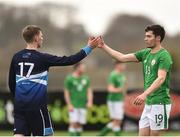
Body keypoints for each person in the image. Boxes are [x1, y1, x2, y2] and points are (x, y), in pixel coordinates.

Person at [8, 25, 100, 136]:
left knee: (19, 134)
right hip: (37, 105)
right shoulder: (43, 58)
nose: (42, 38)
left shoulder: (16, 57)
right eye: (41, 36)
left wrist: (21, 98)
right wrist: (89, 47)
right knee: (46, 135)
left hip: (20, 104)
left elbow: (11, 83)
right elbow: (69, 60)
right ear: (36, 37)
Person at [98, 25, 173, 136]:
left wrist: (144, 94)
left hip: (160, 103)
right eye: (145, 36)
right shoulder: (145, 53)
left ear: (158, 38)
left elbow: (161, 78)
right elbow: (121, 58)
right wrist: (103, 46)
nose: (145, 39)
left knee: (155, 135)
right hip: (149, 103)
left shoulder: (164, 56)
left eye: (148, 36)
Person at [64, 62, 93, 136]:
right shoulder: (69, 78)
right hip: (74, 104)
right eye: (82, 68)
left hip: (83, 104)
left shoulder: (86, 78)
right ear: (77, 68)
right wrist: (69, 104)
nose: (84, 69)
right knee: (73, 123)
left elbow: (89, 91)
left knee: (80, 124)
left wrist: (90, 101)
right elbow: (66, 93)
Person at [99, 61, 127, 136]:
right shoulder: (113, 75)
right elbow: (110, 89)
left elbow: (124, 89)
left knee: (118, 120)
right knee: (117, 120)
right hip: (113, 100)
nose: (124, 66)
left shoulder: (122, 75)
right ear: (117, 65)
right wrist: (119, 90)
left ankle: (101, 135)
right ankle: (101, 135)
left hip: (120, 100)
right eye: (123, 64)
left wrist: (124, 99)